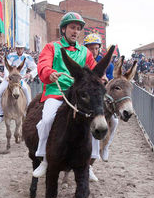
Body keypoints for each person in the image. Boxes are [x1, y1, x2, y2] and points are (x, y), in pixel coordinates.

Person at [32, 12, 105, 178]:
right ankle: (44, 158)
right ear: (63, 29)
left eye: (78, 29)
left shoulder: (84, 52)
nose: (75, 31)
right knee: (48, 119)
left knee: (95, 118)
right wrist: (49, 73)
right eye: (72, 27)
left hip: (77, 95)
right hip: (56, 91)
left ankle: (90, 163)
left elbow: (94, 69)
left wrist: (102, 77)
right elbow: (43, 65)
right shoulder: (51, 47)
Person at [83, 33, 116, 182]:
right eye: (90, 48)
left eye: (96, 48)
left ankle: (106, 146)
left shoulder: (108, 64)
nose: (93, 51)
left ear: (99, 48)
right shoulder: (82, 61)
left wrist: (106, 81)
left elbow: (109, 82)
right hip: (87, 96)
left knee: (114, 121)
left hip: (102, 95)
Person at [0, 42, 37, 123]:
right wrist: (7, 76)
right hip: (10, 79)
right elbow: (6, 67)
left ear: (23, 49)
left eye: (21, 48)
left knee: (26, 89)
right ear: (16, 48)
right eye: (18, 48)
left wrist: (30, 74)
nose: (19, 50)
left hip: (20, 79)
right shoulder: (10, 56)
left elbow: (36, 68)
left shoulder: (28, 57)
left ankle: (29, 110)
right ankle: (0, 115)